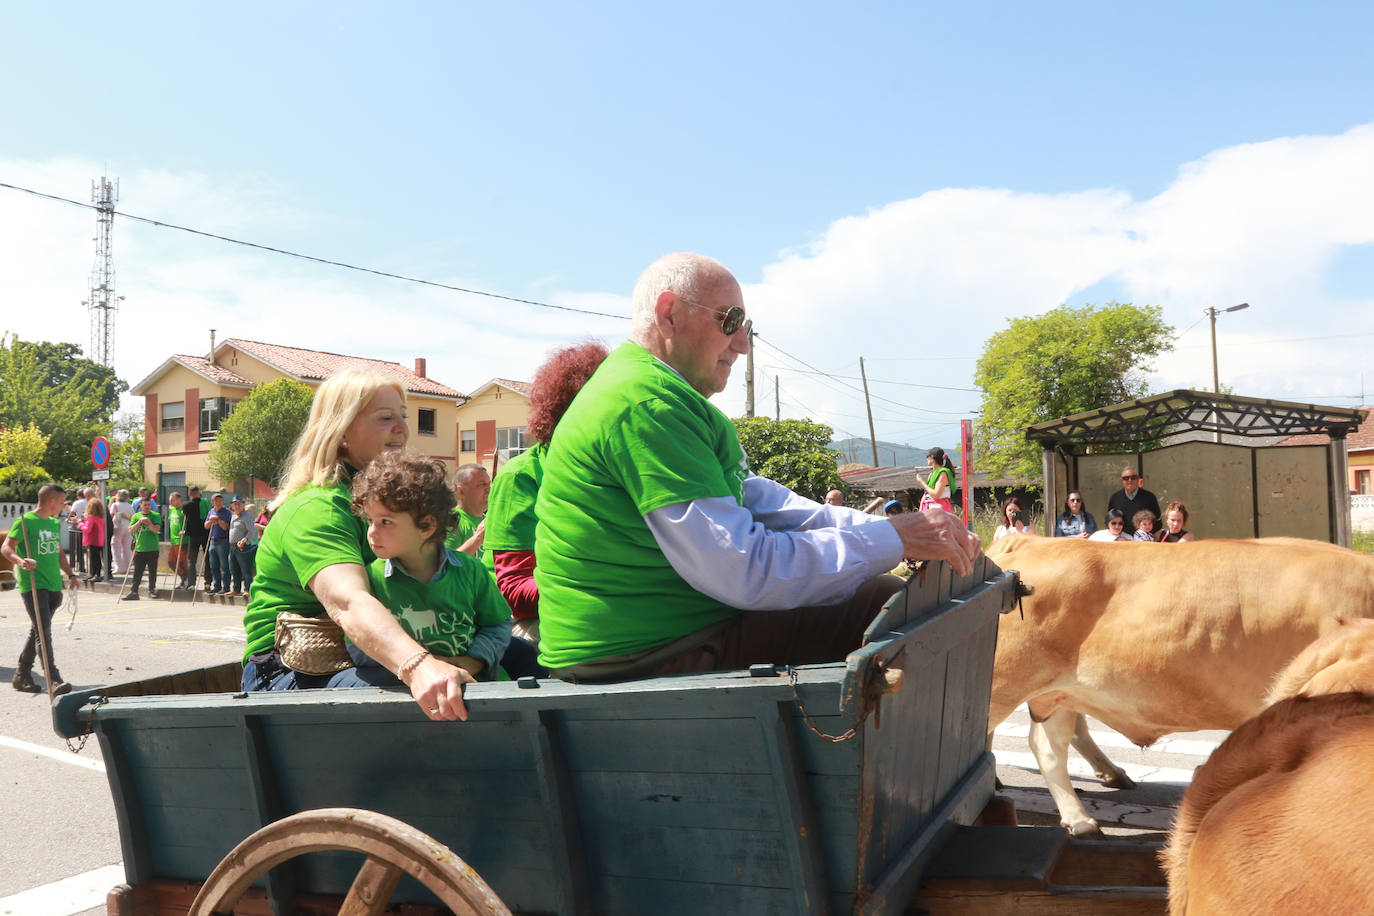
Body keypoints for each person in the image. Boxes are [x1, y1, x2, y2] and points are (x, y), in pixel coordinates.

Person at [533, 252, 980, 680]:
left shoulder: (659, 394)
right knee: (887, 607)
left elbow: (768, 504)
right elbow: (743, 570)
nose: (743, 343)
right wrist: (893, 538)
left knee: (876, 589)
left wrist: (905, 531)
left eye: (745, 325)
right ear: (668, 313)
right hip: (647, 653)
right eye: (729, 321)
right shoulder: (647, 403)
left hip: (653, 640)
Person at [240, 368, 475, 720]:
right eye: (385, 418)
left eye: (403, 416)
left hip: (361, 656)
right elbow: (348, 602)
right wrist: (420, 666)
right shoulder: (318, 507)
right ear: (344, 432)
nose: (402, 428)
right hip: (291, 671)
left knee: (515, 655)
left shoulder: (385, 504)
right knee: (428, 693)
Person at [483, 340, 609, 646]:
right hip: (521, 623)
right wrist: (603, 581)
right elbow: (512, 592)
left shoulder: (613, 469)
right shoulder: (521, 476)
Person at [350, 451, 513, 683]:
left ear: (426, 526)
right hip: (412, 695)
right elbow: (356, 644)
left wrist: (475, 660)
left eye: (386, 522)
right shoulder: (371, 581)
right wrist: (422, 665)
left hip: (479, 688)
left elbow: (498, 623)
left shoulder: (470, 571)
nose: (372, 532)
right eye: (370, 521)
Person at [2, 484, 79, 694]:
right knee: (43, 633)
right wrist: (20, 561)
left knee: (38, 630)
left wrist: (70, 575)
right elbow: (6, 547)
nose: (64, 506)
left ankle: (21, 674)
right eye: (62, 501)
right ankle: (53, 678)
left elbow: (59, 554)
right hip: (33, 585)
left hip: (54, 584)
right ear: (51, 501)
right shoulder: (25, 522)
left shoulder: (54, 523)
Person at [445, 464, 491, 557]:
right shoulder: (451, 521)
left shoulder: (491, 522)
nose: (489, 489)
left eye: (489, 484)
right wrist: (477, 539)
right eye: (482, 484)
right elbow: (447, 564)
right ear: (461, 491)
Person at [123, 497, 163, 600]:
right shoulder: (136, 516)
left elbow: (156, 530)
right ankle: (134, 592)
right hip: (139, 549)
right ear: (140, 505)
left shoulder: (155, 516)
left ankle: (152, 590)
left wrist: (149, 523)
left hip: (152, 548)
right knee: (137, 572)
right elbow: (131, 531)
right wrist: (139, 522)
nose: (147, 507)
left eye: (149, 505)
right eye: (145, 505)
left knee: (152, 571)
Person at [1107, 467, 1160, 537]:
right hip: (1122, 539)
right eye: (1126, 478)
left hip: (1144, 540)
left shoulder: (1149, 497)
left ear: (1138, 479)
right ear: (1121, 480)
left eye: (1133, 477)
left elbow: (1157, 521)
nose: (1130, 480)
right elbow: (1109, 521)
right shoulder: (1115, 498)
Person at [225, 497, 258, 597]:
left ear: (243, 505)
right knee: (234, 569)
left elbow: (251, 532)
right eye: (235, 504)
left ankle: (248, 589)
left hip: (243, 547)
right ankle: (236, 589)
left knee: (245, 569)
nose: (237, 506)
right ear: (232, 506)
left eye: (239, 504)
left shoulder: (247, 516)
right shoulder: (233, 516)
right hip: (232, 546)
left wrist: (244, 540)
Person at [181, 486, 211, 590]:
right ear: (199, 493)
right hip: (206, 534)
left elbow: (184, 515)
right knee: (207, 559)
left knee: (192, 560)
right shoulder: (205, 503)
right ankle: (208, 583)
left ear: (189, 494)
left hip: (193, 535)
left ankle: (191, 584)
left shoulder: (186, 505)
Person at [204, 493, 232, 594]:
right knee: (214, 565)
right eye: (216, 501)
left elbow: (226, 527)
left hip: (223, 541)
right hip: (212, 540)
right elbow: (206, 526)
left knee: (224, 565)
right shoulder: (211, 512)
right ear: (212, 502)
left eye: (220, 500)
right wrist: (211, 521)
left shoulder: (227, 512)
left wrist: (218, 520)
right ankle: (216, 586)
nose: (218, 502)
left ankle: (226, 587)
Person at [920, 447, 957, 514]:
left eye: (927, 456)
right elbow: (926, 494)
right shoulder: (932, 474)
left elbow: (936, 495)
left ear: (932, 458)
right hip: (929, 509)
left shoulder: (943, 474)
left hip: (939, 511)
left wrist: (922, 482)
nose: (927, 458)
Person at [80, 497, 107, 580]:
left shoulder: (91, 517)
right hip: (100, 539)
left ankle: (95, 574)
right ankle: (94, 574)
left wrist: (79, 523)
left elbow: (87, 529)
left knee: (93, 558)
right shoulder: (101, 518)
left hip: (92, 539)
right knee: (96, 558)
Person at [110, 489, 135, 575]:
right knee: (127, 548)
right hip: (128, 528)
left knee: (115, 546)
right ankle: (128, 566)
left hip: (118, 527)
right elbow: (133, 517)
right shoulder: (129, 506)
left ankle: (119, 567)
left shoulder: (115, 505)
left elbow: (111, 515)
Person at [165, 491, 188, 586]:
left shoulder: (184, 510)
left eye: (172, 500)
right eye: (170, 500)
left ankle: (186, 580)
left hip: (182, 540)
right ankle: (183, 576)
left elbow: (189, 523)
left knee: (182, 562)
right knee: (171, 562)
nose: (170, 502)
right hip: (173, 541)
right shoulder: (172, 510)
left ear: (179, 500)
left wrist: (185, 531)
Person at [68, 488, 88, 574]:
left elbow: (71, 514)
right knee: (87, 548)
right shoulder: (90, 502)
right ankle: (87, 567)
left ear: (78, 496)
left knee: (78, 547)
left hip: (79, 526)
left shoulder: (77, 503)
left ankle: (77, 566)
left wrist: (70, 518)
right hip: (89, 526)